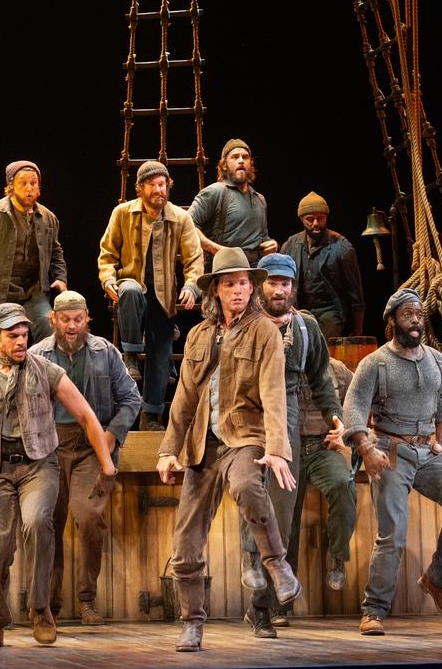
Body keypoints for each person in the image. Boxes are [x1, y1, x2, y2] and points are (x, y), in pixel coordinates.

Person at [155, 247, 299, 652]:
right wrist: (168, 449)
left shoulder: (264, 331)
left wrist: (277, 446)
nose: (238, 290)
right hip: (204, 444)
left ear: (252, 288)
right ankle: (191, 622)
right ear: (215, 290)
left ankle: (276, 563)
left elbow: (274, 392)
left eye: (243, 283)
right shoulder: (199, 335)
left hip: (245, 435)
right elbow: (184, 397)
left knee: (247, 486)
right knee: (185, 545)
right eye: (229, 283)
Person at [0, 303, 117, 649]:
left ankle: (41, 608)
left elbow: (87, 416)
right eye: (12, 335)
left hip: (38, 464)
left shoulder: (46, 371)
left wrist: (107, 466)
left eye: (24, 334)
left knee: (38, 522)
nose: (20, 341)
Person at [343, 288, 442, 636]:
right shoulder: (375, 363)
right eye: (407, 315)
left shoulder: (435, 359)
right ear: (392, 321)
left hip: (427, 450)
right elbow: (353, 409)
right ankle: (374, 609)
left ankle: (438, 580)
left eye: (419, 314)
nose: (416, 320)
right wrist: (366, 448)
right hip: (390, 450)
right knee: (393, 534)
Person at [239, 253, 347, 638]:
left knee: (281, 521)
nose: (279, 290)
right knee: (253, 500)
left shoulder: (305, 327)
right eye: (272, 282)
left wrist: (335, 417)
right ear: (260, 286)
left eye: (285, 283)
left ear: (293, 287)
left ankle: (262, 610)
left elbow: (321, 379)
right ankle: (252, 565)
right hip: (249, 417)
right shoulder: (245, 324)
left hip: (287, 421)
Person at [29, 291, 141, 623]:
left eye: (78, 319)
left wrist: (112, 434)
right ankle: (47, 603)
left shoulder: (105, 352)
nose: (72, 325)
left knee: (90, 517)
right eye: (65, 319)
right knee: (47, 522)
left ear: (88, 318)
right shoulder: (37, 355)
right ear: (53, 320)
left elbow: (131, 398)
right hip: (50, 447)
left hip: (92, 447)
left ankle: (87, 599)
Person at [98, 160, 202, 430]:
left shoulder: (180, 218)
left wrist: (191, 286)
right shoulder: (123, 213)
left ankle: (151, 416)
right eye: (153, 185)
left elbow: (194, 259)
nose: (159, 190)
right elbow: (107, 254)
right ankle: (131, 353)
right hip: (132, 287)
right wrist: (108, 278)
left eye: (163, 184)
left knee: (160, 354)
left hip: (164, 295)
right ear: (140, 188)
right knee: (130, 290)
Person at [0, 160, 68, 362]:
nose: (29, 188)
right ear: (10, 186)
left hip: (33, 293)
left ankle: (41, 377)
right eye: (23, 183)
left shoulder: (47, 218)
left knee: (49, 329)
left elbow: (56, 252)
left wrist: (60, 278)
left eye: (33, 183)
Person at [281, 356, 358, 626]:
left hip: (322, 447)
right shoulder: (277, 363)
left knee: (343, 484)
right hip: (286, 449)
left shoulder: (336, 369)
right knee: (285, 518)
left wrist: (348, 432)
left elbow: (358, 399)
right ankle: (280, 603)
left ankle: (337, 556)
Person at [280, 191, 366, 339]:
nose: (316, 223)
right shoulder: (291, 245)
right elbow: (280, 281)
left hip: (331, 310)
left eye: (320, 218)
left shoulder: (342, 247)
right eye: (310, 219)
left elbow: (355, 290)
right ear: (301, 219)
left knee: (321, 345)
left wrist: (358, 330)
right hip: (299, 310)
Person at [187, 139, 277, 267]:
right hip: (225, 267)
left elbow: (262, 236)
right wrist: (216, 249)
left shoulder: (259, 199)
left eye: (245, 157)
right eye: (235, 157)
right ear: (224, 165)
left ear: (250, 164)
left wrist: (271, 244)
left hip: (255, 269)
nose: (241, 160)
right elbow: (188, 224)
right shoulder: (215, 192)